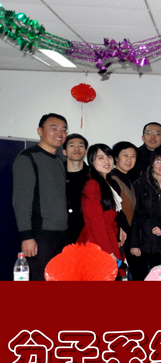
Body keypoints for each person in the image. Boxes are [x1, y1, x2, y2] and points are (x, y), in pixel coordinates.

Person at [11, 113, 67, 279]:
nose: (59, 133)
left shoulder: (59, 160)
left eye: (63, 130)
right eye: (54, 128)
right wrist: (26, 236)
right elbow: (21, 201)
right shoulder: (27, 158)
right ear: (40, 131)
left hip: (61, 235)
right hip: (40, 236)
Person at [129, 147, 161, 281]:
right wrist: (134, 243)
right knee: (139, 279)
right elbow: (133, 215)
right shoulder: (139, 184)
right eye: (159, 161)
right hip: (141, 240)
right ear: (152, 163)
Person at [78, 144, 126, 276]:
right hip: (97, 239)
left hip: (106, 237)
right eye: (100, 158)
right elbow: (97, 221)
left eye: (109, 157)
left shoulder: (106, 183)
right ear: (91, 161)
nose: (106, 161)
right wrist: (108, 251)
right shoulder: (92, 184)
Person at [110, 141, 138, 258]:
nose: (129, 159)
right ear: (116, 158)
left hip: (125, 235)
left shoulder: (128, 180)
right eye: (125, 155)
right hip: (116, 235)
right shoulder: (112, 179)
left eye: (133, 156)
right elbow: (114, 210)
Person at [62, 133, 89, 245]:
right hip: (60, 233)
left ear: (86, 151)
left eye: (81, 146)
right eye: (72, 145)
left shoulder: (93, 176)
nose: (77, 149)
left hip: (85, 233)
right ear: (64, 151)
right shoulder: (56, 174)